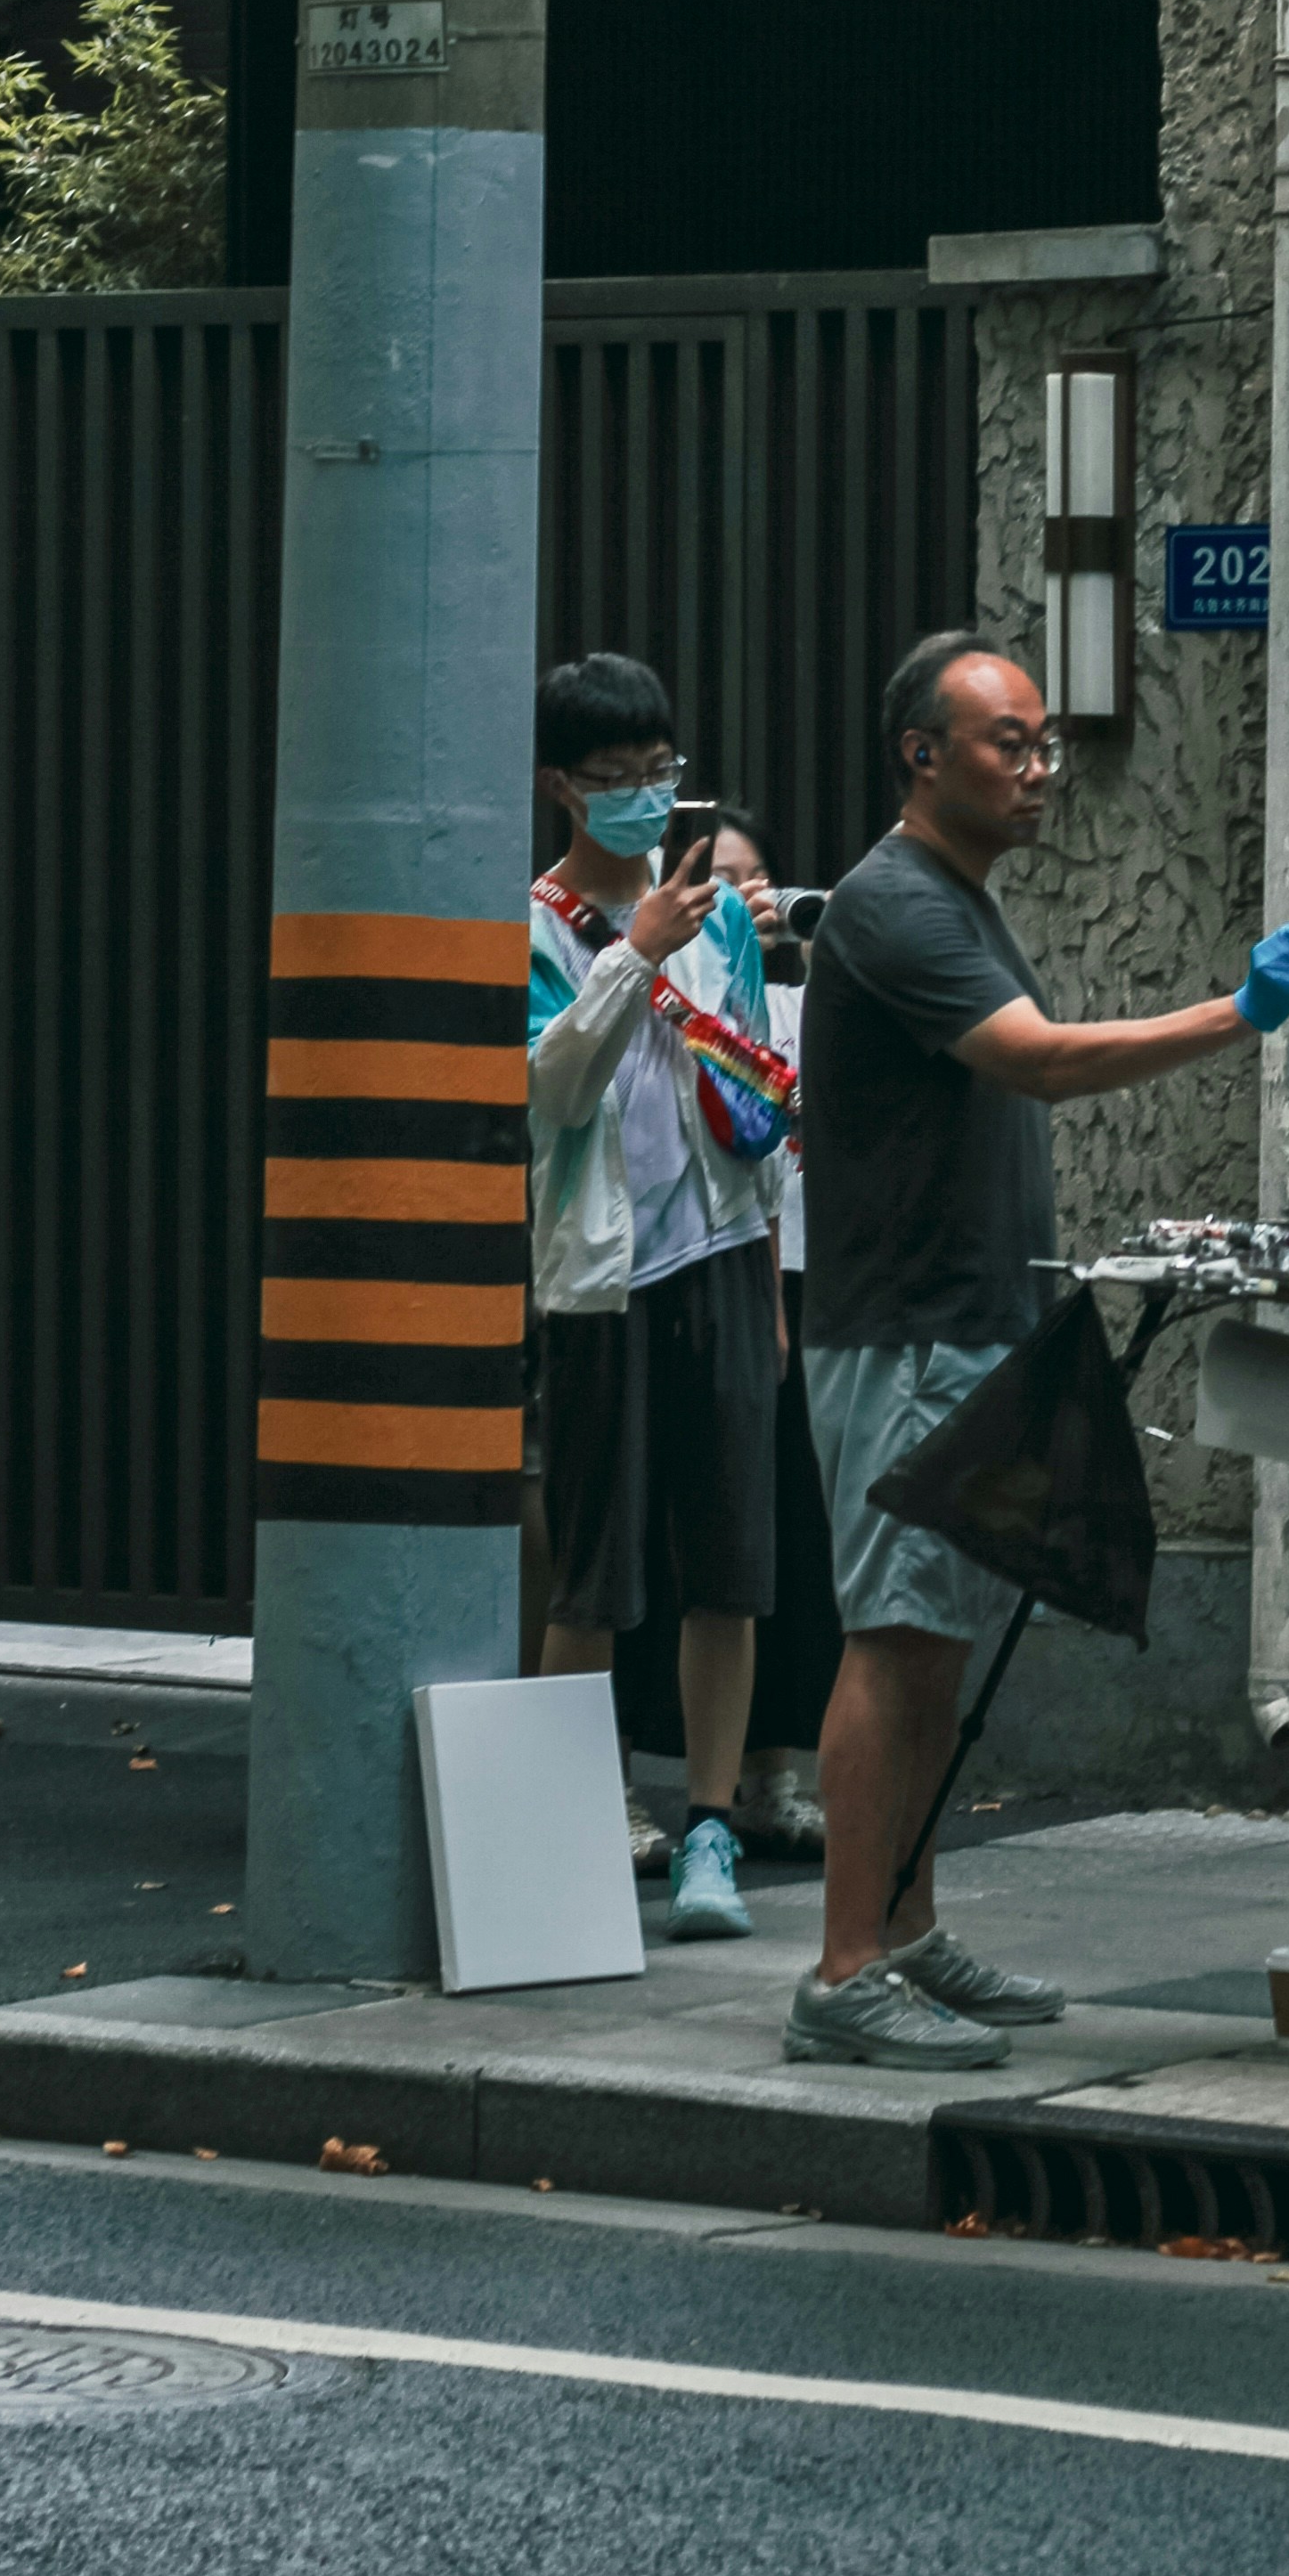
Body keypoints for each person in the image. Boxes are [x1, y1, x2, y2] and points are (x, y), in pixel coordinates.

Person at [786, 628, 1289, 2069]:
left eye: (1043, 744)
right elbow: (1037, 1058)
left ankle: (905, 1934)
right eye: (1008, 743)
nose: (1040, 768)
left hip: (965, 1324)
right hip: (905, 1332)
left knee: (935, 1646)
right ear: (924, 755)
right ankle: (845, 1970)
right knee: (892, 1636)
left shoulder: (955, 898)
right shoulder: (895, 903)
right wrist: (1242, 1013)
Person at [525, 653, 792, 1942]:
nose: (642, 800)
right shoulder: (529, 925)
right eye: (613, 780)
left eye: (656, 774)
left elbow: (756, 1098)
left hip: (724, 1258)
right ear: (557, 787)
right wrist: (631, 957)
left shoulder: (726, 918)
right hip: (600, 1281)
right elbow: (547, 1093)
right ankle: (560, 1840)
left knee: (728, 1566)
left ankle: (709, 1830)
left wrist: (775, 1265)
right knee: (591, 1572)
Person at [612, 808, 839, 1858]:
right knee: (640, 1549)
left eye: (756, 882)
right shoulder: (662, 980)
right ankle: (618, 1780)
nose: (738, 899)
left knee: (777, 1547)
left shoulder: (793, 1001)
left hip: (780, 1286)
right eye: (718, 881)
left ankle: (767, 1775)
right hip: (679, 1275)